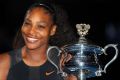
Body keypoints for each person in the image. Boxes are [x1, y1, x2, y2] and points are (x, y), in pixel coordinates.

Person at [0, 2, 77, 80]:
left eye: (40, 26)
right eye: (27, 23)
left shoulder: (65, 63)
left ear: (52, 30)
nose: (31, 31)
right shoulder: (4, 63)